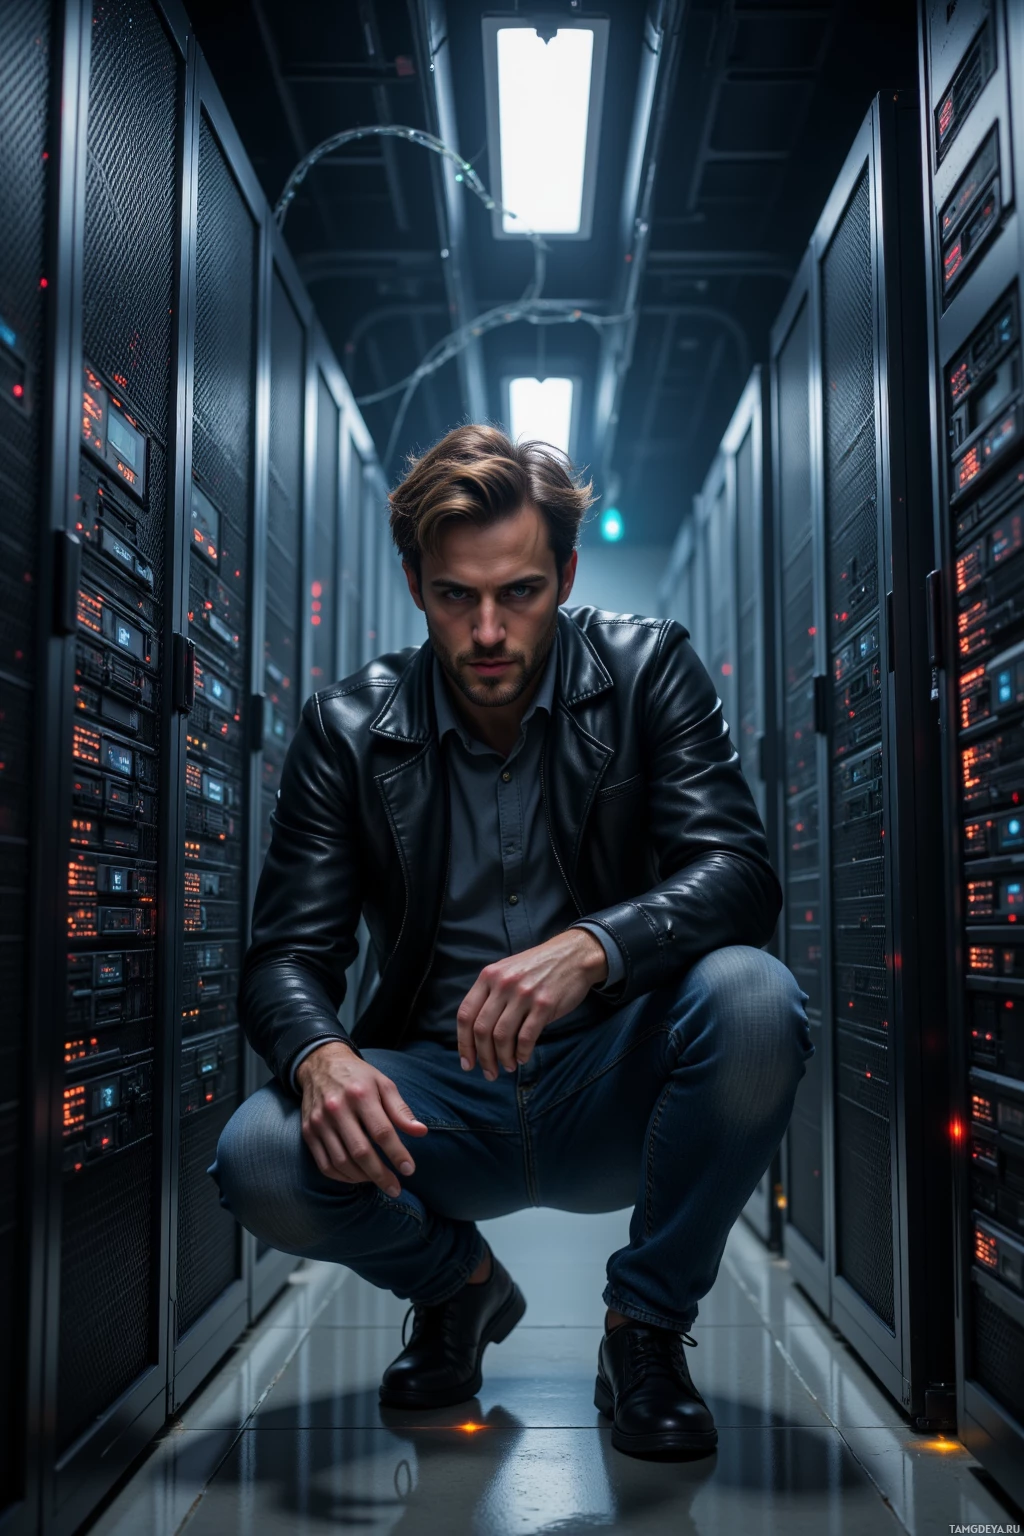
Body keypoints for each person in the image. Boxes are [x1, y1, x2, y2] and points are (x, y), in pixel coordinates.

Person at [212, 424, 810, 1460]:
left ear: (566, 577)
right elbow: (283, 957)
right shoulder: (346, 728)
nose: (488, 630)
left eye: (520, 592)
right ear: (415, 585)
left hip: (613, 1081)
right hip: (438, 1105)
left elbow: (741, 875)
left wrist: (593, 946)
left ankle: (644, 1329)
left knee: (754, 997)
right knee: (258, 1155)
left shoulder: (647, 670)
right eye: (456, 596)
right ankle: (461, 1289)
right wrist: (321, 1056)